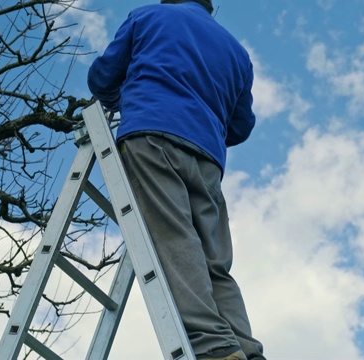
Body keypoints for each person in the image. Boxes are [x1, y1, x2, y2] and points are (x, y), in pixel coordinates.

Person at [87, 1, 265, 359]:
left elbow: (103, 78)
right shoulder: (237, 52)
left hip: (151, 136)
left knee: (175, 238)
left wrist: (127, 100)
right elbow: (242, 125)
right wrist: (207, 122)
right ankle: (246, 350)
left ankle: (214, 347)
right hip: (208, 158)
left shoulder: (147, 16)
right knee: (215, 263)